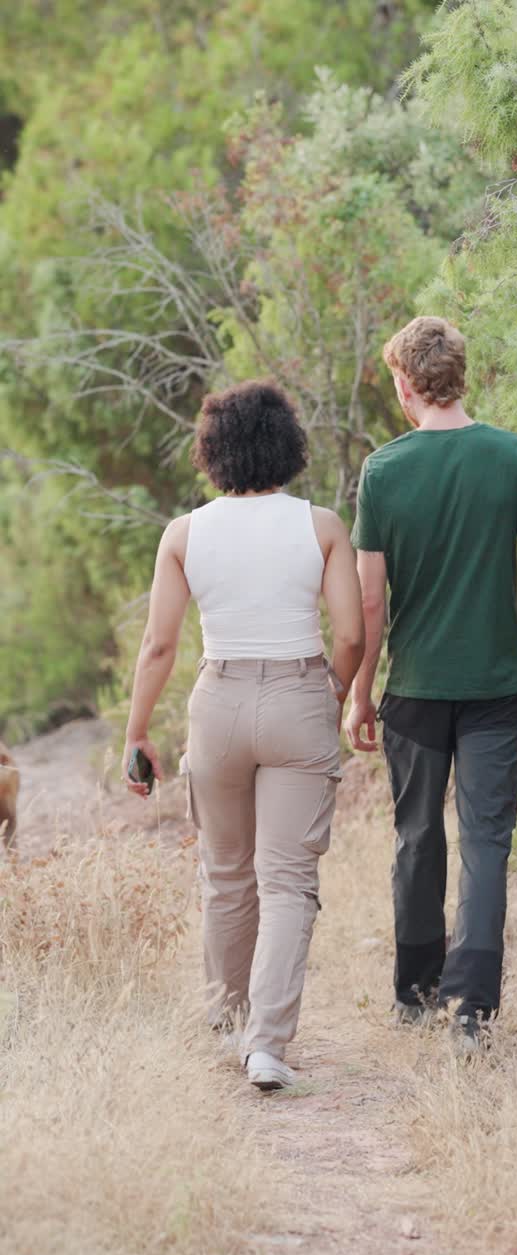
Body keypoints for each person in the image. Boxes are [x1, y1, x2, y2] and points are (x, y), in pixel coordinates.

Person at [123, 380, 364, 1090]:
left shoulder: (185, 533)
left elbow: (159, 647)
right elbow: (350, 632)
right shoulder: (321, 526)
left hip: (218, 700)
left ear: (212, 453)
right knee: (287, 882)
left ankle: (225, 1019)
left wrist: (137, 731)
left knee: (226, 876)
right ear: (287, 445)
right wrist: (336, 690)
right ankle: (266, 1047)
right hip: (298, 691)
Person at [346, 316, 517, 1052]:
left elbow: (370, 602)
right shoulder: (511, 458)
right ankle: (471, 1011)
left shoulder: (383, 470)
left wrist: (358, 689)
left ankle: (415, 996)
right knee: (485, 844)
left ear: (406, 386)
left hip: (412, 686)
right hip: (495, 688)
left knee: (416, 838)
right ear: (460, 376)